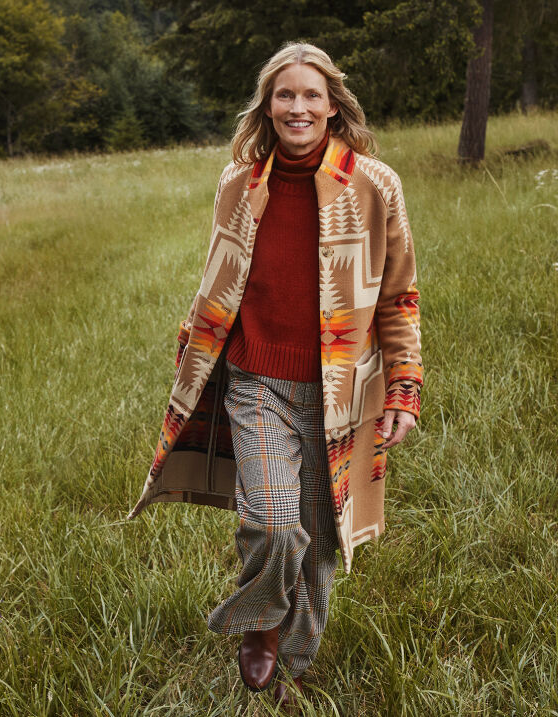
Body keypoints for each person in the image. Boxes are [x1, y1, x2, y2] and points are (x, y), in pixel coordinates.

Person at [128, 42, 422, 709]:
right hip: (255, 380)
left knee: (319, 542)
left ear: (332, 104)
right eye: (284, 95)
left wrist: (403, 382)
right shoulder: (239, 182)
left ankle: (293, 662)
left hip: (338, 392)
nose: (297, 106)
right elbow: (219, 273)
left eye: (310, 95)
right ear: (268, 104)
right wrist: (194, 348)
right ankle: (260, 622)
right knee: (273, 524)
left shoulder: (374, 184)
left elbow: (399, 293)